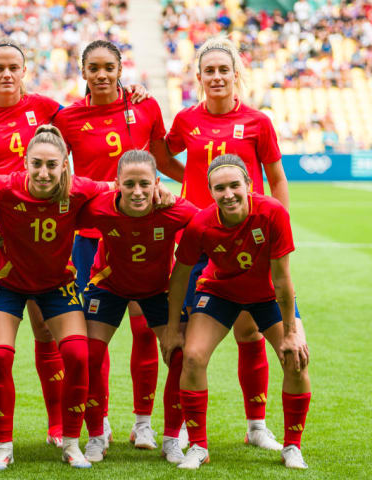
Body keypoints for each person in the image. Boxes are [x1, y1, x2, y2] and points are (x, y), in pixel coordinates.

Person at [0, 38, 148, 449]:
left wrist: (130, 94)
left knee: (46, 330)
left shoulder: (45, 108)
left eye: (14, 67)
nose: (6, 74)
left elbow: (91, 113)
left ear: (24, 71)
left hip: (44, 227)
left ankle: (59, 425)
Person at [55, 40, 186, 449]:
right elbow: (55, 170)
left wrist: (196, 185)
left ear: (119, 68)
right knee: (97, 334)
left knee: (146, 329)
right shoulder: (68, 118)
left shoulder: (145, 107)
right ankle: (101, 423)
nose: (101, 74)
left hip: (143, 230)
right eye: (93, 67)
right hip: (92, 236)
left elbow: (162, 162)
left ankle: (143, 423)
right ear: (83, 72)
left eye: (108, 67)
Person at [164, 36, 291, 450]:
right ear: (199, 77)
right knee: (184, 332)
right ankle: (182, 425)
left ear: (236, 75)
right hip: (197, 239)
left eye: (224, 70)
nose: (217, 77)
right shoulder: (185, 120)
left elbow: (275, 180)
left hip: (247, 242)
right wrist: (183, 196)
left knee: (249, 333)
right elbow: (163, 157)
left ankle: (256, 425)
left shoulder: (258, 121)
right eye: (209, 71)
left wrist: (277, 233)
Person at [161, 155, 311, 470]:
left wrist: (292, 331)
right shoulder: (201, 223)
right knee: (192, 356)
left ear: (249, 186)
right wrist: (173, 327)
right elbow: (179, 277)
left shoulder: (272, 213)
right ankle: (199, 446)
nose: (228, 193)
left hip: (267, 295)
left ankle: (292, 447)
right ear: (211, 192)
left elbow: (282, 277)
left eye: (234, 185)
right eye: (219, 188)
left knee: (296, 358)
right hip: (219, 292)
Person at [75, 150, 197, 464]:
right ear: (116, 184)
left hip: (156, 290)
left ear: (157, 183)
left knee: (180, 354)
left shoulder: (175, 210)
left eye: (145, 183)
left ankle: (171, 438)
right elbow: (61, 213)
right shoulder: (100, 206)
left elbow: (210, 225)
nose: (137, 191)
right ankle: (96, 435)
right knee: (88, 355)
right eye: (129, 184)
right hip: (109, 285)